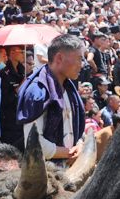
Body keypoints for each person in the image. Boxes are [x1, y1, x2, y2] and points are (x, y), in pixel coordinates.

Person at [16, 34, 85, 163]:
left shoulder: (70, 89)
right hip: (46, 173)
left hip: (70, 168)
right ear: (59, 58)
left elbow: (77, 132)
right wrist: (67, 153)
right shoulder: (37, 92)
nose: (82, 64)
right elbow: (33, 143)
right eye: (79, 59)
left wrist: (79, 146)